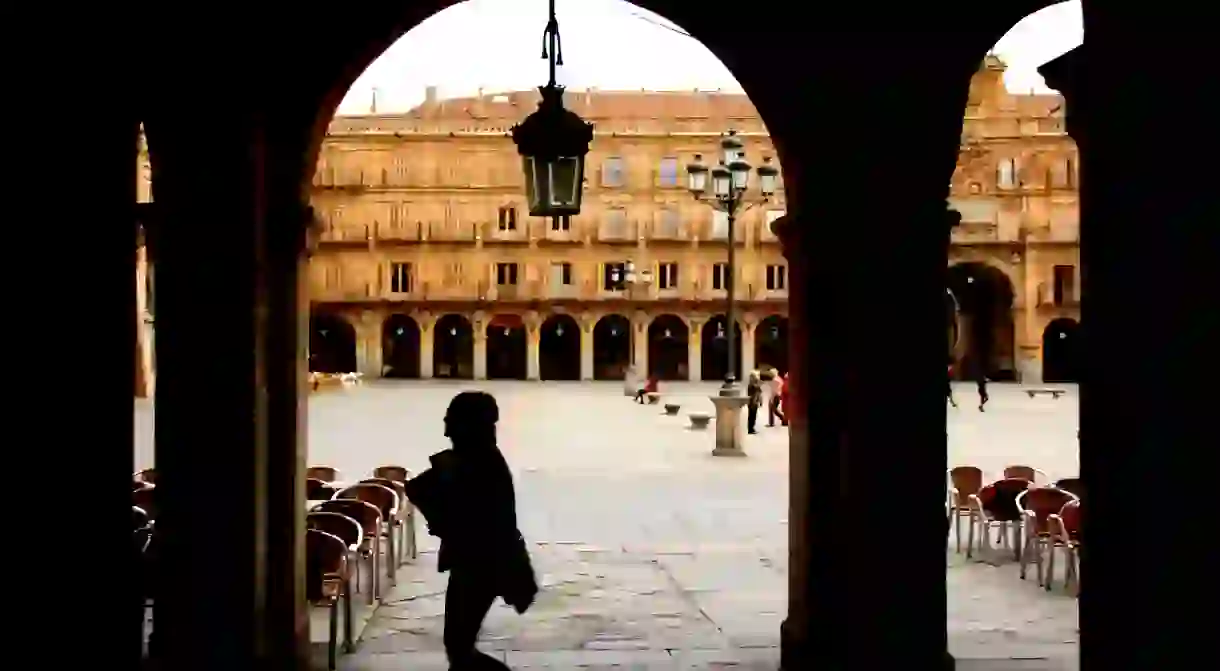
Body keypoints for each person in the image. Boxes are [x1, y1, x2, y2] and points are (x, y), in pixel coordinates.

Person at [404, 391, 535, 670]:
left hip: (480, 565)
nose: (446, 427)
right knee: (458, 644)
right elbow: (421, 490)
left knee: (459, 645)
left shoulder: (480, 463)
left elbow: (476, 517)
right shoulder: (473, 460)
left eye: (452, 419)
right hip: (473, 561)